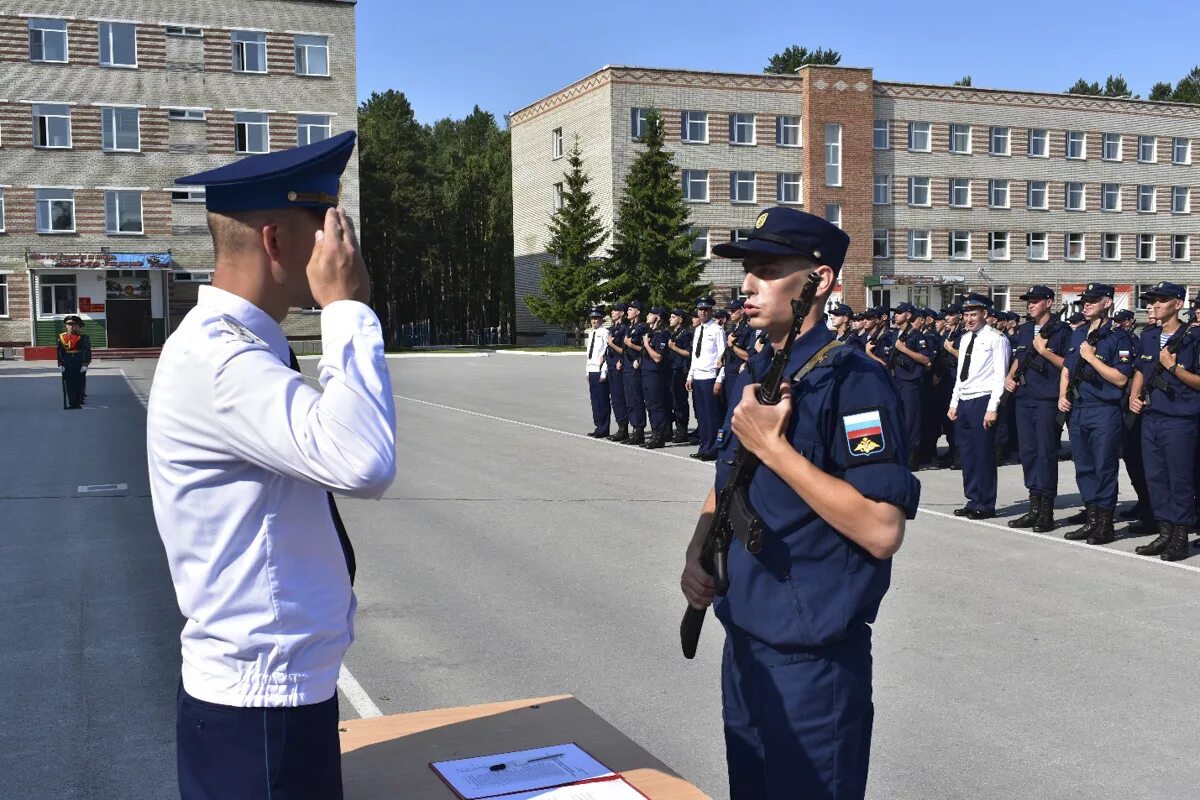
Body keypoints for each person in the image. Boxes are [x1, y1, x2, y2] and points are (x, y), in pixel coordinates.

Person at [147, 131, 397, 799]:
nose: (341, 248)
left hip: (272, 693)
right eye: (327, 228)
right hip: (258, 707)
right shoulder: (223, 361)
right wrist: (347, 308)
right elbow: (364, 460)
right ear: (276, 241)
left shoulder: (238, 348)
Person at [680, 207, 919, 799]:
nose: (746, 286)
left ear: (820, 281)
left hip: (810, 659)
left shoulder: (855, 382)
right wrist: (697, 553)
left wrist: (776, 448)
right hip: (747, 635)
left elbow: (881, 528)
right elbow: (729, 476)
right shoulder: (758, 370)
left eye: (765, 271)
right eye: (746, 272)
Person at [1058, 283, 1135, 544]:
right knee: (1084, 468)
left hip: (1104, 410)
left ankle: (1105, 524)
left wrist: (1092, 359)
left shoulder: (1118, 337)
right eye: (1085, 300)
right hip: (1079, 409)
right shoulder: (1078, 335)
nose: (1086, 304)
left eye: (1093, 300)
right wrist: (1062, 395)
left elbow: (1121, 380)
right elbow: (1067, 368)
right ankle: (1091, 519)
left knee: (1104, 467)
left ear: (1108, 303)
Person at [1128, 282, 1200, 560]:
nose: (1155, 305)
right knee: (1155, 478)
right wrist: (1134, 398)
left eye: (1162, 300)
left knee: (1179, 479)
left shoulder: (1193, 338)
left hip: (1180, 419)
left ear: (1178, 305)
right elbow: (1140, 371)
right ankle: (1165, 532)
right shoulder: (1148, 336)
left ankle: (1180, 536)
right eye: (1153, 300)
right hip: (1151, 418)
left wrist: (1172, 367)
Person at [1004, 287, 1071, 532]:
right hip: (1024, 397)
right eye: (1028, 301)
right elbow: (1019, 358)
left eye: (1035, 301)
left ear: (1049, 303)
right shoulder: (1023, 330)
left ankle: (1046, 511)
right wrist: (1009, 378)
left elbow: (1068, 364)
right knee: (1029, 453)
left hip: (1046, 399)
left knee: (1045, 453)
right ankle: (1034, 506)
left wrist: (1044, 351)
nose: (1030, 305)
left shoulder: (1061, 330)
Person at [948, 293, 1011, 519]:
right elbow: (960, 376)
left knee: (983, 454)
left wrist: (992, 407)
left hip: (983, 400)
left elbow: (999, 376)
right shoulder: (965, 339)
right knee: (967, 453)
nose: (969, 319)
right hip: (965, 401)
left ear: (985, 314)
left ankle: (984, 503)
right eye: (966, 314)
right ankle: (972, 498)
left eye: (973, 314)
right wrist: (954, 402)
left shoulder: (997, 338)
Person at [889, 302, 935, 470]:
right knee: (898, 419)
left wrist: (904, 349)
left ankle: (912, 457)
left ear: (908, 316)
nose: (896, 316)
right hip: (896, 381)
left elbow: (926, 360)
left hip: (910, 383)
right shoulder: (896, 334)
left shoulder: (916, 336)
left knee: (911, 421)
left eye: (900, 313)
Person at [688, 297, 726, 461]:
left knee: (712, 416)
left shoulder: (717, 330)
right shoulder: (697, 330)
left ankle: (712, 449)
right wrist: (690, 375)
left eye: (706, 309)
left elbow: (723, 356)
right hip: (698, 376)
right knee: (701, 415)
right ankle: (704, 446)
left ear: (711, 311)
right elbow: (694, 357)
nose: (703, 312)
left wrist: (720, 379)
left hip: (711, 377)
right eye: (700, 309)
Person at [640, 306, 674, 449]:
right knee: (651, 405)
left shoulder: (662, 334)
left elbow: (658, 357)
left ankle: (659, 436)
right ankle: (656, 433)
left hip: (656, 375)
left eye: (651, 314)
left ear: (658, 317)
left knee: (656, 405)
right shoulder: (652, 332)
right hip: (647, 374)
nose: (648, 315)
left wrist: (646, 344)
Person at [622, 301, 649, 446]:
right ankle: (634, 429)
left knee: (636, 400)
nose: (628, 312)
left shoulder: (642, 327)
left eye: (630, 309)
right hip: (626, 366)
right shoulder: (629, 327)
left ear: (638, 312)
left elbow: (645, 348)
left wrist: (632, 348)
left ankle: (639, 431)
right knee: (630, 400)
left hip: (635, 367)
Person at [666, 308, 694, 444]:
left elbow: (689, 353)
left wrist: (674, 348)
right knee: (671, 401)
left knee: (680, 402)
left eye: (673, 317)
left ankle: (682, 431)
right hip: (671, 370)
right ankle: (672, 429)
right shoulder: (673, 333)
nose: (670, 319)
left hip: (680, 371)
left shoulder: (686, 334)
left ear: (680, 319)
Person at [584, 307, 611, 438]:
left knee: (602, 400)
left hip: (600, 371)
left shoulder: (605, 332)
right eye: (592, 318)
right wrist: (587, 371)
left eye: (596, 318)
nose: (594, 321)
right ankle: (598, 426)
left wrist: (604, 372)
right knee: (595, 401)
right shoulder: (591, 333)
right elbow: (590, 355)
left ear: (601, 319)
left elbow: (606, 354)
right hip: (592, 370)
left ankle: (604, 428)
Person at [605, 304, 630, 442]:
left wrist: (612, 344)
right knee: (615, 399)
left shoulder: (625, 329)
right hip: (611, 366)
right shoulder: (613, 328)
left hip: (619, 367)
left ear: (621, 313)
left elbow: (624, 351)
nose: (612, 312)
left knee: (620, 398)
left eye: (615, 310)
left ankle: (624, 429)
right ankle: (620, 426)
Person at [57, 315, 92, 409]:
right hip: (67, 362)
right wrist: (60, 364)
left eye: (74, 324)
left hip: (79, 361)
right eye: (69, 324)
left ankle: (77, 402)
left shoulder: (83, 337)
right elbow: (60, 351)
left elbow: (87, 351)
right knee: (69, 383)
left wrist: (85, 364)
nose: (71, 326)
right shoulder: (62, 337)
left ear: (77, 326)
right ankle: (72, 403)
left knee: (79, 383)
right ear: (66, 326)